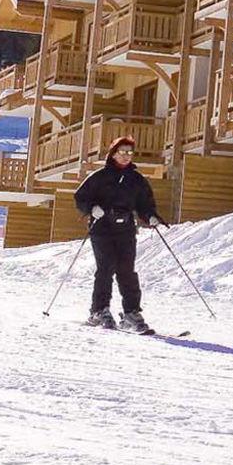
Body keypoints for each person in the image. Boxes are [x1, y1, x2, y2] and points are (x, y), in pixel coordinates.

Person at [72, 135, 162, 332]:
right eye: (122, 152)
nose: (126, 156)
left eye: (130, 152)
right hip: (102, 228)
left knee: (126, 270)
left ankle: (131, 313)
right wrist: (92, 208)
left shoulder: (137, 180)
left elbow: (145, 204)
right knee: (106, 268)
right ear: (113, 153)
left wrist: (151, 217)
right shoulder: (99, 176)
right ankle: (99, 310)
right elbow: (80, 197)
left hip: (126, 229)